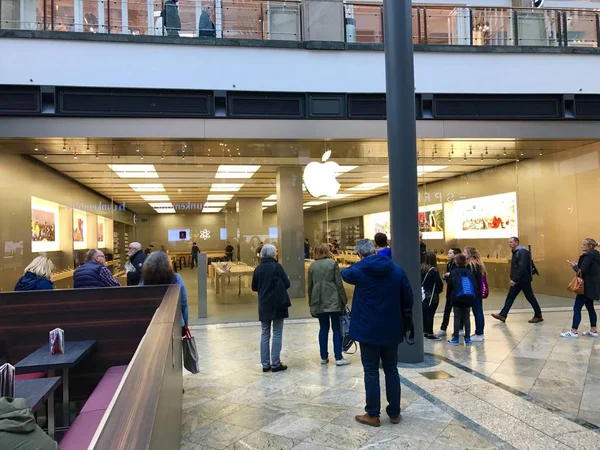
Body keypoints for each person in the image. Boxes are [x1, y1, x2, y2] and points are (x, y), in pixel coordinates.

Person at [341, 239, 414, 427]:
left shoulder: (359, 271)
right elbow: (408, 298)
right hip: (392, 327)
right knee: (391, 369)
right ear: (375, 250)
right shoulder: (397, 270)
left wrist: (363, 261)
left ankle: (373, 414)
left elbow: (345, 273)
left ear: (359, 255)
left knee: (371, 370)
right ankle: (395, 413)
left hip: (368, 329)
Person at [308, 243, 350, 366]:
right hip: (333, 299)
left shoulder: (312, 266)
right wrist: (344, 300)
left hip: (318, 299)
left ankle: (323, 356)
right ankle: (338, 357)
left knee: (323, 328)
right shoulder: (332, 264)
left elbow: (310, 286)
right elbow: (339, 284)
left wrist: (311, 302)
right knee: (336, 328)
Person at [251, 244, 291, 373]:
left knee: (264, 333)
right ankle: (275, 363)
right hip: (278, 303)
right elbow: (287, 283)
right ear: (273, 254)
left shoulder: (258, 269)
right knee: (277, 333)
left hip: (264, 304)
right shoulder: (277, 267)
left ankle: (265, 364)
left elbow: (254, 287)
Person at [492, 237, 543, 324]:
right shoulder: (517, 251)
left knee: (529, 297)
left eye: (511, 242)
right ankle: (503, 315)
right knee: (511, 297)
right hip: (520, 279)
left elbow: (521, 267)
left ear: (516, 242)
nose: (509, 244)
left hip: (522, 280)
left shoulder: (521, 252)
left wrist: (515, 279)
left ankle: (538, 315)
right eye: (509, 242)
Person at [561, 238, 599, 338]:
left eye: (584, 245)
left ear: (590, 246)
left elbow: (582, 271)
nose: (581, 246)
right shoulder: (596, 256)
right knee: (590, 307)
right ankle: (593, 330)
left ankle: (573, 331)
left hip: (585, 287)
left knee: (577, 307)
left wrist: (574, 266)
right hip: (593, 286)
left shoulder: (587, 256)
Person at [139, 251, 188, 328]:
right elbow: (183, 302)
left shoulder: (145, 279)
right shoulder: (175, 278)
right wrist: (185, 322)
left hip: (151, 321)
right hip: (175, 320)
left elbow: (140, 298)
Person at [447, 254, 477, 346]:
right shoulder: (469, 272)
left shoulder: (453, 272)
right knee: (466, 318)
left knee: (457, 317)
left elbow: (450, 285)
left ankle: (456, 338)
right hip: (468, 298)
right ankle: (467, 338)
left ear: (456, 262)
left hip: (457, 298)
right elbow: (475, 285)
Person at [436, 248, 462, 337]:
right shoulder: (449, 264)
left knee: (458, 310)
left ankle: (460, 328)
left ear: (456, 255)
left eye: (450, 253)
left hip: (457, 291)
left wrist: (450, 275)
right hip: (450, 290)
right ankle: (443, 328)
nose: (448, 254)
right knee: (447, 309)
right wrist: (446, 277)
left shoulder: (459, 265)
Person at [464, 246, 485, 342]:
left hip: (474, 292)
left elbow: (471, 280)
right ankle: (479, 332)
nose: (463, 254)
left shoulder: (471, 265)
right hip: (478, 292)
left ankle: (479, 333)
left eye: (465, 252)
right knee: (479, 311)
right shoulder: (478, 263)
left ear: (469, 254)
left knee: (477, 312)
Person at [421, 252, 444, 341]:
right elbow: (438, 283)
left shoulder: (421, 267)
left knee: (425, 313)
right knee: (430, 314)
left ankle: (425, 331)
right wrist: (440, 289)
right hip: (432, 295)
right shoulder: (433, 270)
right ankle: (430, 333)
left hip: (423, 293)